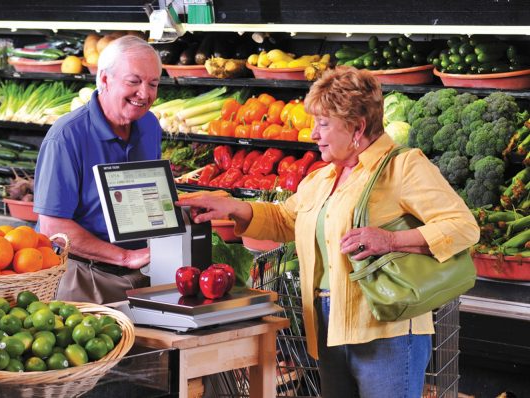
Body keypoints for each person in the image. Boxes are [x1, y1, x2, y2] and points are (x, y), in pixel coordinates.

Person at [177, 66, 480, 397]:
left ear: (356, 127)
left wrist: (391, 240)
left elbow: (462, 226)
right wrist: (234, 207)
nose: (313, 135)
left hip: (385, 328)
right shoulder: (324, 178)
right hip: (326, 325)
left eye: (323, 124)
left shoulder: (402, 167)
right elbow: (285, 219)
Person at [33, 35, 162, 304]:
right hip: (83, 276)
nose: (145, 94)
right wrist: (125, 257)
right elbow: (52, 226)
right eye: (134, 81)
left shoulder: (149, 125)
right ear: (104, 79)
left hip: (144, 270)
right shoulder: (67, 137)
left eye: (153, 84)